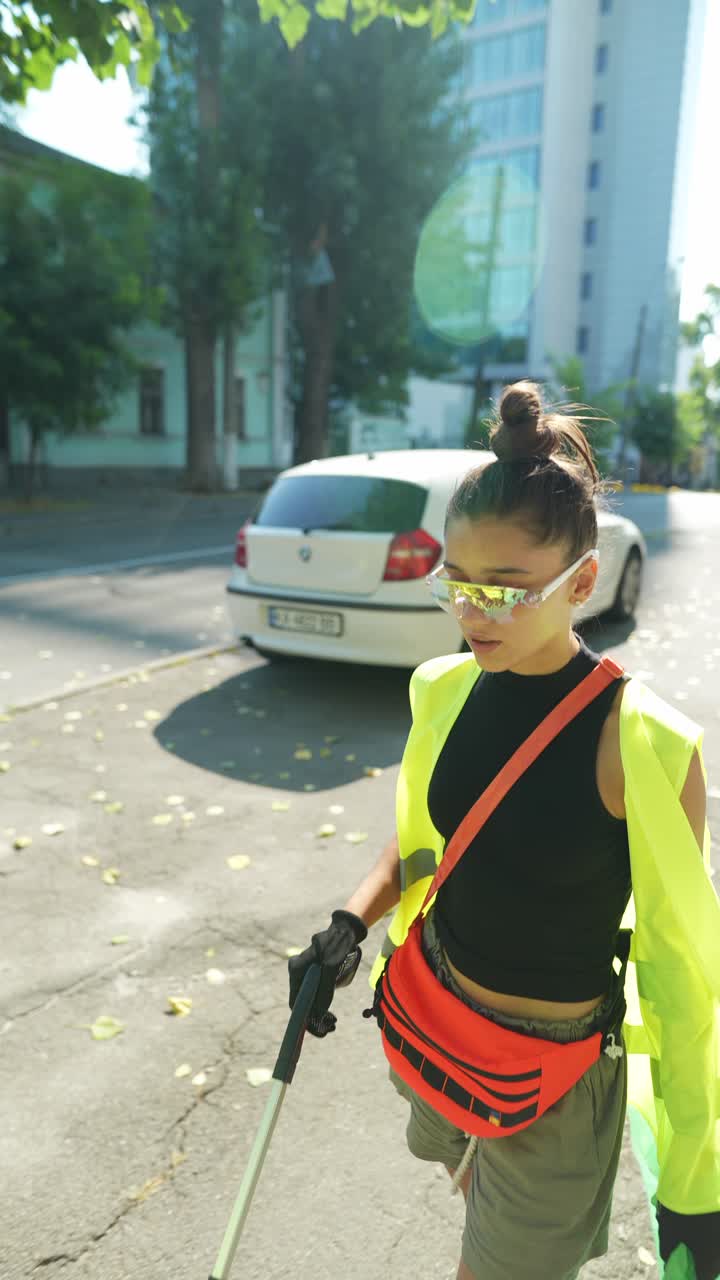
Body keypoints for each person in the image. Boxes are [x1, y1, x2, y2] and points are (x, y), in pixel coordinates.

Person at [288, 381, 720, 1280]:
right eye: (458, 582)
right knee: (466, 1182)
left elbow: (684, 974)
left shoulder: (641, 745)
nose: (474, 612)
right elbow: (420, 844)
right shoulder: (445, 692)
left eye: (506, 589)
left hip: (552, 1085)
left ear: (584, 581)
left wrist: (695, 1174)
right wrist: (349, 921)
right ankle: (482, 1177)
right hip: (438, 1025)